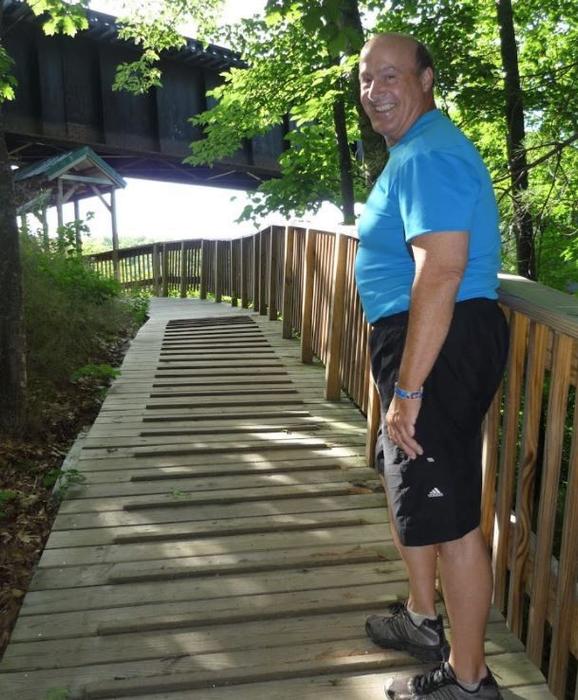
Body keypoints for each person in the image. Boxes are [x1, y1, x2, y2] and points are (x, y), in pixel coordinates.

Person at [354, 33, 509, 699]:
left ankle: (469, 681)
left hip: (437, 346)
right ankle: (424, 619)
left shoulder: (429, 155)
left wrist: (410, 388)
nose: (375, 91)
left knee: (452, 524)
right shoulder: (415, 153)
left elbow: (442, 271)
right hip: (422, 339)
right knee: (411, 485)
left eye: (391, 76)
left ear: (427, 80)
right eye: (366, 80)